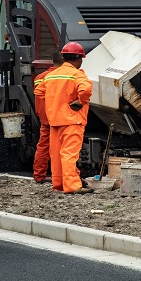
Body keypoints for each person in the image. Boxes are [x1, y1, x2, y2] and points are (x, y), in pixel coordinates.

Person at [34, 42, 93, 194]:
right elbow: (86, 89)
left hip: (55, 121)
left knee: (56, 154)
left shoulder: (51, 75)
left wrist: (55, 102)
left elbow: (39, 92)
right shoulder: (77, 74)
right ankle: (72, 186)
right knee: (69, 153)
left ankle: (59, 184)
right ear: (79, 58)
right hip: (72, 120)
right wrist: (80, 102)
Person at [32, 51, 64, 184]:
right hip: (58, 115)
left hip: (44, 116)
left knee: (43, 146)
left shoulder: (40, 76)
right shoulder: (62, 76)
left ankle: (39, 175)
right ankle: (63, 177)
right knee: (64, 147)